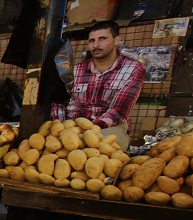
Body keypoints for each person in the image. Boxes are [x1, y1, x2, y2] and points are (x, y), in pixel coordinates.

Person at [51, 20, 145, 151]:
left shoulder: (133, 69)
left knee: (104, 145)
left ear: (116, 40)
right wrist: (61, 129)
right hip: (72, 127)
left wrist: (88, 133)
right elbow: (59, 102)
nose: (96, 45)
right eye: (91, 41)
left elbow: (118, 111)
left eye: (102, 39)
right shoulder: (76, 70)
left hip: (109, 127)